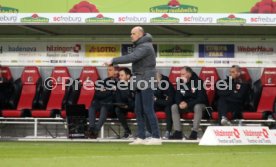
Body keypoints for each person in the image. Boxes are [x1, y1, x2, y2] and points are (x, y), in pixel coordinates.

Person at [105, 26, 161, 145]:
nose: (131, 35)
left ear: (140, 34)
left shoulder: (145, 46)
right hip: (139, 79)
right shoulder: (140, 46)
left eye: (133, 33)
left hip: (146, 78)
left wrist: (113, 60)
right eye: (131, 33)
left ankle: (156, 137)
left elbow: (132, 57)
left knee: (148, 109)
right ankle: (141, 137)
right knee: (138, 109)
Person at [170, 66, 208, 140]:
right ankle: (178, 132)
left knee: (197, 106)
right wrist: (180, 103)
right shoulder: (180, 82)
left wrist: (188, 104)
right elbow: (177, 96)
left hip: (199, 105)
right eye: (180, 74)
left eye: (183, 74)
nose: (181, 76)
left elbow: (201, 98)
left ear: (189, 74)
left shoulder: (198, 82)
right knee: (174, 106)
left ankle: (194, 132)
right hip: (186, 105)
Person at [85, 65, 118, 139]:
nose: (108, 72)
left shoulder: (118, 82)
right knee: (92, 106)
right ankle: (92, 128)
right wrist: (110, 91)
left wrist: (105, 91)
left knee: (104, 107)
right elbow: (96, 95)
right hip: (101, 102)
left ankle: (96, 130)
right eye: (108, 70)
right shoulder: (104, 81)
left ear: (116, 71)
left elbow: (114, 96)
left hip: (111, 104)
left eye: (110, 70)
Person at [152, 72, 175, 139]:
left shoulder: (168, 85)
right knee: (148, 108)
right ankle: (150, 131)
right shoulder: (153, 84)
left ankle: (168, 131)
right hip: (159, 104)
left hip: (167, 105)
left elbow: (169, 101)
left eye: (155, 79)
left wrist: (156, 100)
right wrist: (159, 100)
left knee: (168, 108)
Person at [114, 67, 135, 139]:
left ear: (128, 76)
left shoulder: (134, 84)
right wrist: (122, 105)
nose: (120, 77)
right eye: (119, 76)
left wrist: (126, 87)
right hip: (124, 106)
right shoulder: (119, 85)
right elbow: (118, 98)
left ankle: (144, 131)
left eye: (122, 75)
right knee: (117, 109)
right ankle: (128, 131)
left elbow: (133, 98)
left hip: (134, 105)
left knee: (139, 108)